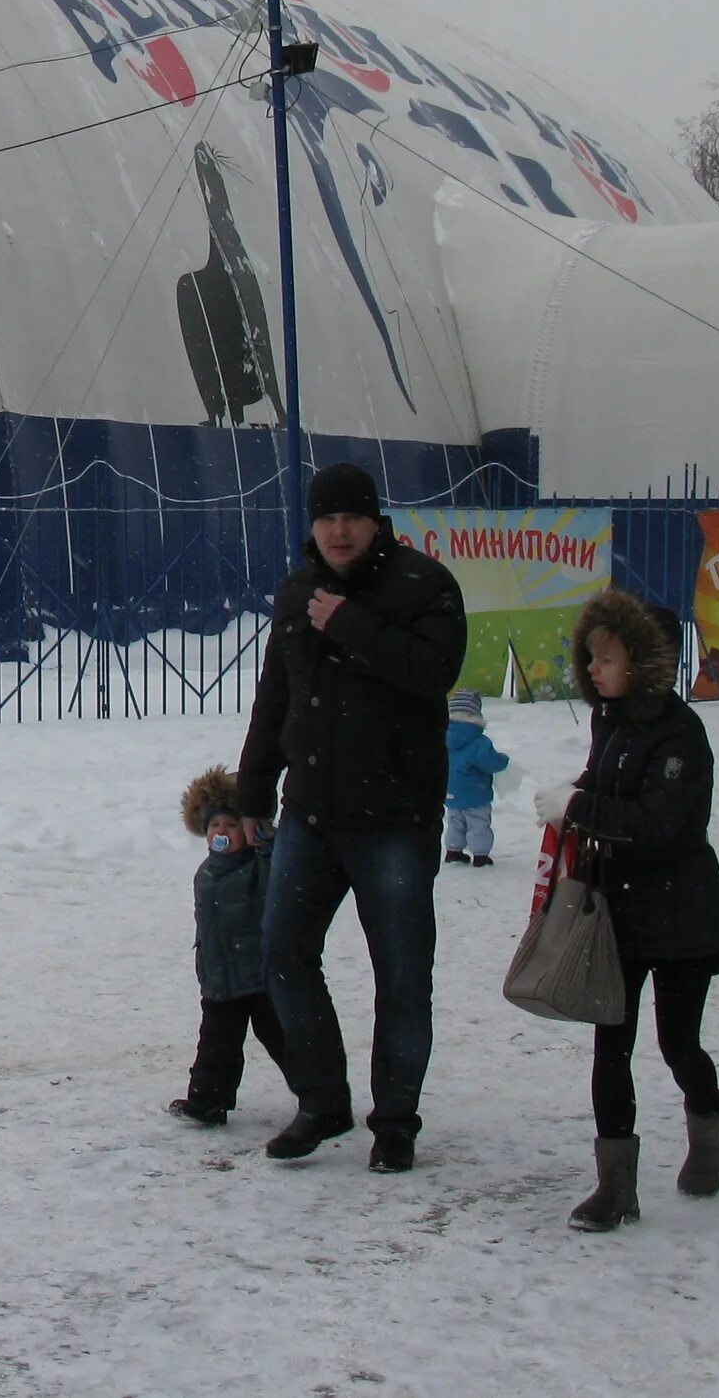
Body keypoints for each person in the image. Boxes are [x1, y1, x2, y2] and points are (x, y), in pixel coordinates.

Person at [233, 461, 467, 1174]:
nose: (338, 531)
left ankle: (395, 1119)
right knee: (281, 952)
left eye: (351, 517)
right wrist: (251, 791)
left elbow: (437, 672)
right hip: (311, 811)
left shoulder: (425, 586)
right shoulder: (298, 590)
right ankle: (322, 1100)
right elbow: (276, 695)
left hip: (394, 815)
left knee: (400, 971)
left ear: (375, 522)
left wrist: (355, 624)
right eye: (326, 518)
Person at [539, 592, 719, 1233]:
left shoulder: (680, 734)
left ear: (644, 663)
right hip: (615, 914)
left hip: (681, 915)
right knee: (610, 1047)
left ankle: (708, 1122)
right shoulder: (612, 721)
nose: (595, 670)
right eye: (590, 657)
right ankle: (614, 1186)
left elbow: (660, 824)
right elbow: (606, 784)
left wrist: (580, 808)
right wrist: (576, 791)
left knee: (679, 1043)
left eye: (608, 658)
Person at [168, 769, 284, 1128]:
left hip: (259, 977)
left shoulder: (260, 866)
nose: (221, 832)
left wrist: (268, 843)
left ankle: (320, 1094)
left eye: (231, 825)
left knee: (285, 1039)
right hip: (220, 976)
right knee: (216, 1044)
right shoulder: (207, 872)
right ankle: (207, 1101)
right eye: (214, 825)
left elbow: (278, 873)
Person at [442, 689, 507, 865]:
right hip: (475, 793)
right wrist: (504, 761)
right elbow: (490, 762)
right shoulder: (479, 742)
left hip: (450, 791)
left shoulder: (443, 737)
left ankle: (453, 850)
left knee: (455, 821)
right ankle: (480, 855)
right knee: (478, 823)